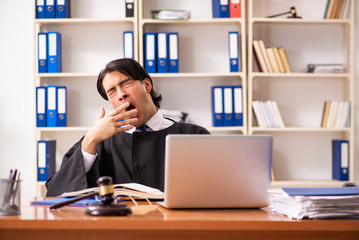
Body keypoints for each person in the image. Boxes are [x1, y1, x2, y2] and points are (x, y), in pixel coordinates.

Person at [46, 58, 209, 196]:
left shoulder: (193, 136)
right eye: (112, 92)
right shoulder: (99, 141)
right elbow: (56, 193)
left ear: (146, 85)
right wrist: (90, 139)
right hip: (120, 231)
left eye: (126, 84)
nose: (121, 94)